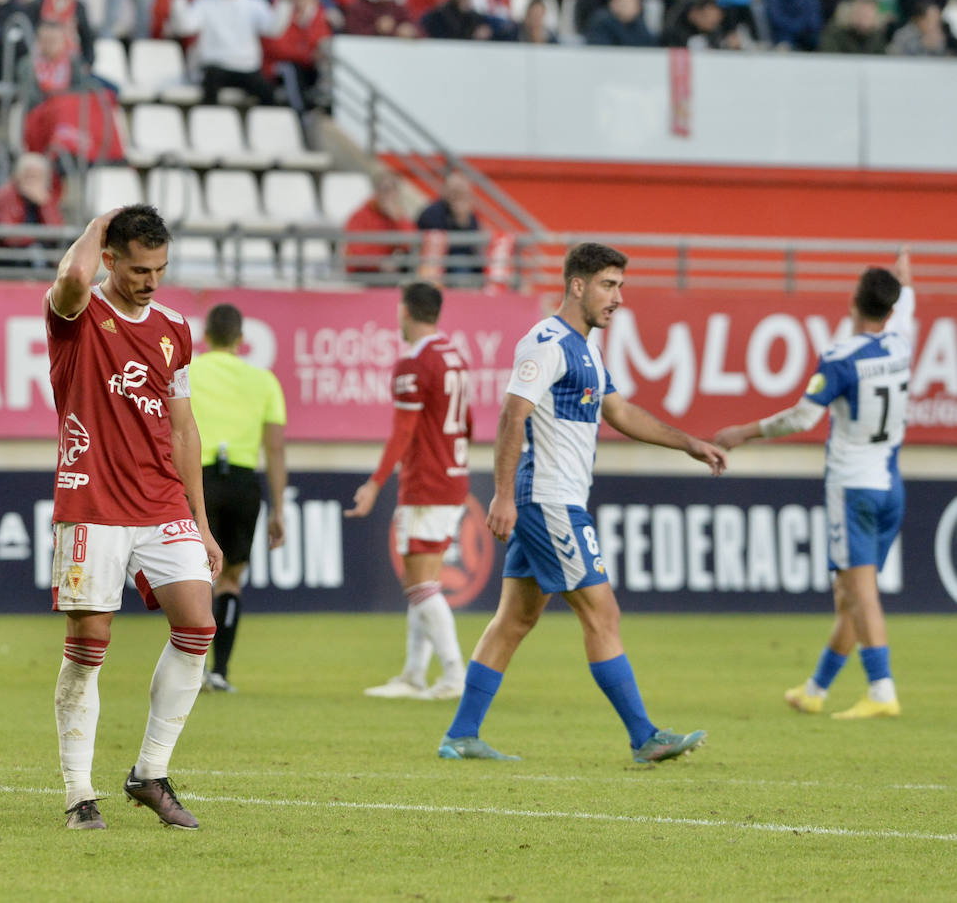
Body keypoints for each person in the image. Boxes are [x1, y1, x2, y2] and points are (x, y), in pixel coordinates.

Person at [438, 242, 726, 764]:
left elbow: (620, 412)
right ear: (577, 285)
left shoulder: (586, 348)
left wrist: (689, 443)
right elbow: (511, 414)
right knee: (602, 612)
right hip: (549, 500)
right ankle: (645, 737)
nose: (618, 298)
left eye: (620, 287)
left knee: (515, 620)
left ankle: (461, 735)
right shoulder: (547, 342)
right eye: (608, 286)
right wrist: (501, 495)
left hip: (549, 499)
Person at [44, 204, 221, 831]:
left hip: (161, 501)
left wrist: (200, 520)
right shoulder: (77, 313)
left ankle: (150, 772)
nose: (151, 281)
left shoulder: (175, 327)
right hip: (92, 500)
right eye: (140, 268)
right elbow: (70, 279)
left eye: (161, 269)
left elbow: (183, 427)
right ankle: (78, 792)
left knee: (198, 624)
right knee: (89, 645)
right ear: (111, 259)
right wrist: (97, 224)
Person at [713, 250, 914, 720]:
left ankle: (882, 690)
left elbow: (804, 416)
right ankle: (816, 689)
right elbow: (905, 310)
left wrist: (743, 432)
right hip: (892, 482)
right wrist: (906, 284)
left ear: (852, 302)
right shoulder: (902, 344)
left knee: (860, 591)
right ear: (891, 308)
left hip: (854, 487)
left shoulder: (842, 358)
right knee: (848, 593)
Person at [345, 283, 470, 700]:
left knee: (419, 584)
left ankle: (454, 675)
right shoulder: (453, 356)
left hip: (427, 481)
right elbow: (466, 421)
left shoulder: (413, 363)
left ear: (405, 312)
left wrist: (375, 483)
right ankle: (414, 675)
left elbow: (404, 430)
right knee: (425, 581)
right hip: (453, 474)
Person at [187, 302, 287, 693]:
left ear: (206, 337)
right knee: (230, 580)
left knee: (192, 579)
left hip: (200, 481)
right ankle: (220, 672)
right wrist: (278, 509)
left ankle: (190, 670)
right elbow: (276, 449)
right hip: (244, 483)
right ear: (242, 340)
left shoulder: (189, 371)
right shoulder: (264, 381)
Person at [169, 0, 304, 107]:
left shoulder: (253, 3)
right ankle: (210, 131)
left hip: (247, 68)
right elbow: (185, 26)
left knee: (269, 96)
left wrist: (285, 0)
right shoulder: (205, 2)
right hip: (215, 67)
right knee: (209, 95)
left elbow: (273, 29)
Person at [343, 169, 415, 275]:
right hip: (365, 272)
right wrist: (380, 262)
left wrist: (398, 220)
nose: (390, 195)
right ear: (376, 191)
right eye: (385, 189)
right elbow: (356, 250)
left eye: (394, 189)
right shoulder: (360, 215)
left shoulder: (399, 216)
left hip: (392, 271)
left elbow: (411, 244)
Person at [416, 169, 481, 274]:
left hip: (464, 262)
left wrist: (464, 220)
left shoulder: (470, 214)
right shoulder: (433, 211)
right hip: (438, 263)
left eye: (461, 191)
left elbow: (473, 243)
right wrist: (459, 220)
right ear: (445, 190)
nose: (457, 195)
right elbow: (437, 243)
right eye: (454, 190)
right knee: (460, 262)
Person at [0, 151, 62, 244]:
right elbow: (9, 236)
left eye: (37, 177)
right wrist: (37, 236)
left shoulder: (46, 197)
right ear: (18, 176)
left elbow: (57, 231)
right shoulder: (5, 195)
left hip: (41, 247)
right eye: (29, 176)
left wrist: (44, 205)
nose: (33, 181)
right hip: (14, 252)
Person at [585, 0, 657, 46]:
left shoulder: (639, 24)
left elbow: (649, 45)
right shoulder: (602, 21)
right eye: (625, 2)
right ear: (613, 2)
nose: (628, 6)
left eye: (632, 2)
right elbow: (600, 49)